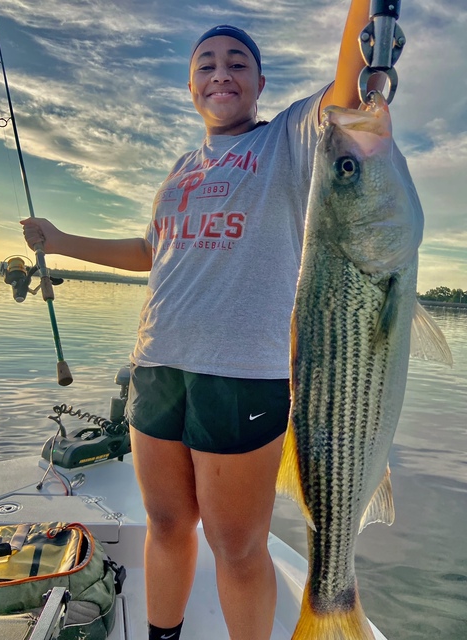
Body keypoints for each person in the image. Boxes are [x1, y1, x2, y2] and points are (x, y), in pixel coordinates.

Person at [21, 2, 382, 638]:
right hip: (158, 366)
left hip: (243, 373)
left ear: (260, 83)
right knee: (166, 525)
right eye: (206, 64)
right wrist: (61, 238)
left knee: (236, 547)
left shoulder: (287, 143)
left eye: (238, 63)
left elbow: (353, 77)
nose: (222, 72)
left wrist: (364, 11)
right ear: (190, 87)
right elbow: (149, 251)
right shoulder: (182, 169)